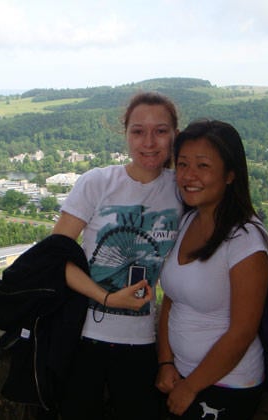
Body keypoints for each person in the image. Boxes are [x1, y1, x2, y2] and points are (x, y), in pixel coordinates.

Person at [52, 91, 184, 419]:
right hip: (82, 335)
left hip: (142, 342)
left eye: (161, 131)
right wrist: (108, 298)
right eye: (138, 131)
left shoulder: (182, 188)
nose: (149, 142)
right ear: (125, 134)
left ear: (174, 136)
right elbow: (55, 256)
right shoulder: (98, 182)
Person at [156, 119, 268, 419]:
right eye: (182, 165)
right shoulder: (187, 221)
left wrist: (191, 387)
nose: (189, 176)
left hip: (227, 385)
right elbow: (172, 297)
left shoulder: (245, 240)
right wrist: (165, 362)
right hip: (181, 375)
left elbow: (242, 332)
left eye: (203, 166)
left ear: (230, 174)